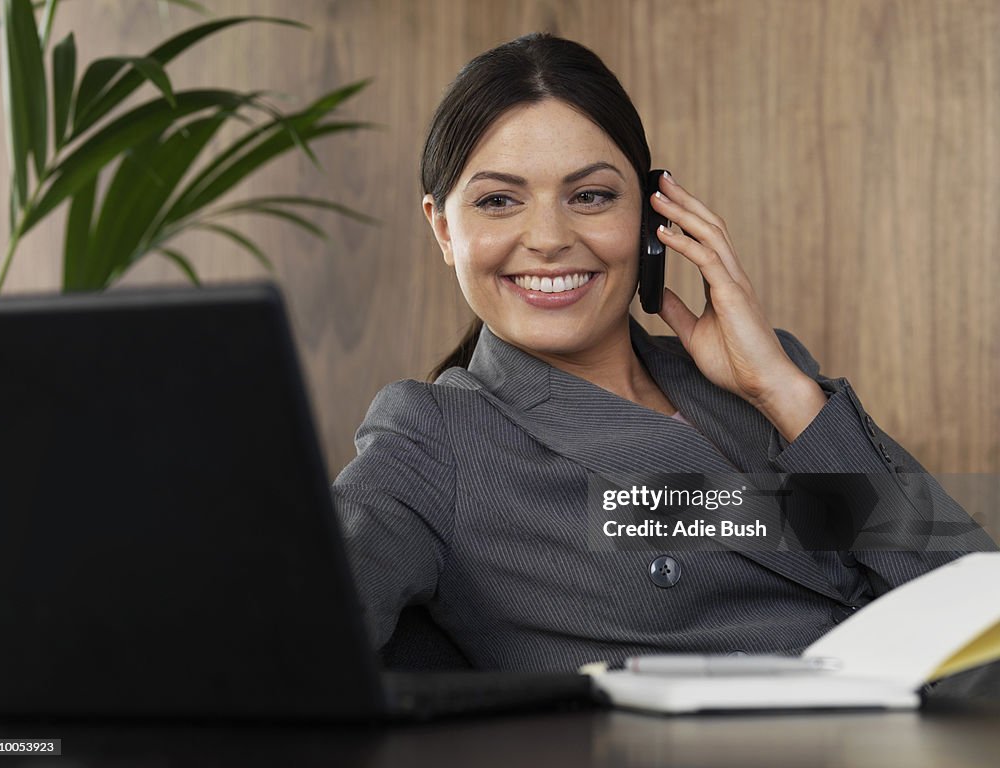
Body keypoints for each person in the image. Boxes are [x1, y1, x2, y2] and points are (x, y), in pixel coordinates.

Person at [333, 33, 996, 672]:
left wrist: (785, 393)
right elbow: (290, 644)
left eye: (590, 196)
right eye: (498, 201)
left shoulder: (761, 387)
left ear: (652, 218)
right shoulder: (434, 439)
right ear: (444, 230)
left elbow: (973, 606)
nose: (548, 238)